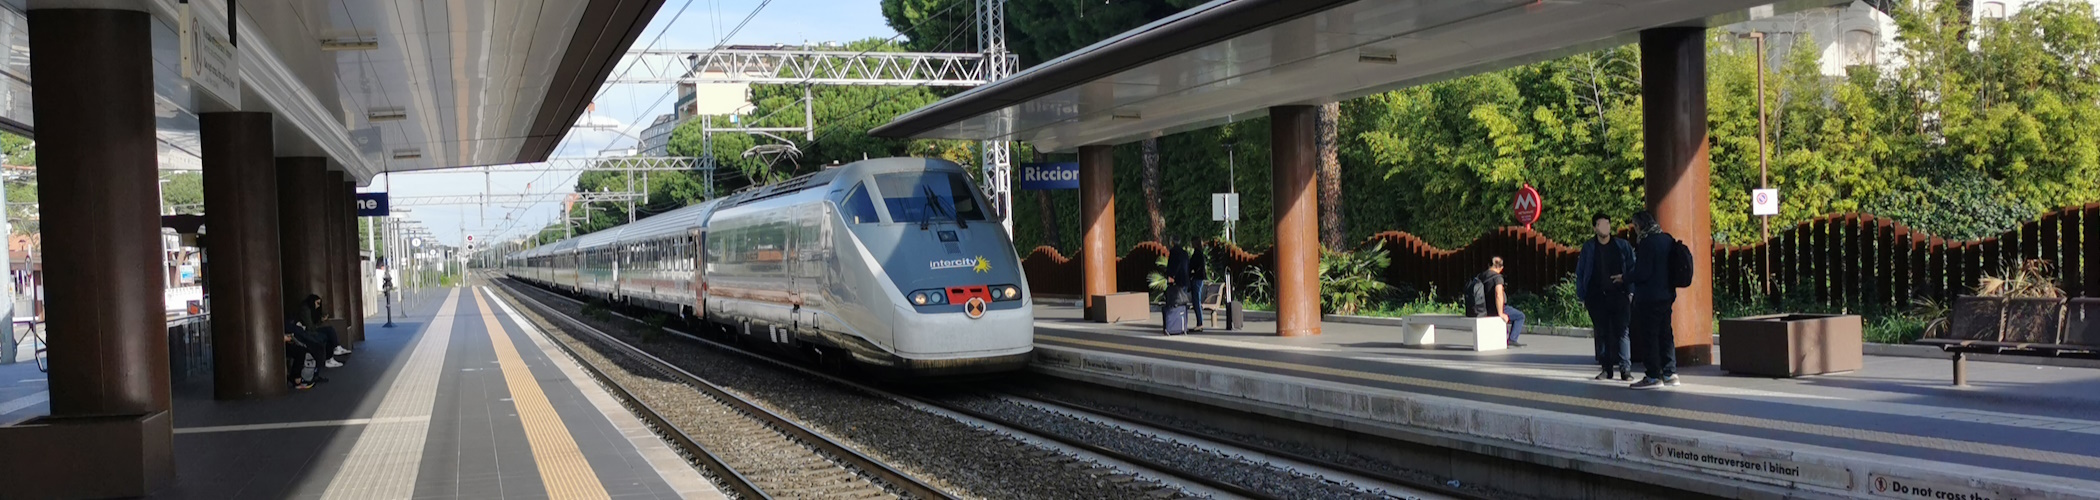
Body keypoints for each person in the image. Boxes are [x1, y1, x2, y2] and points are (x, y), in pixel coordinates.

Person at [1620, 211, 1679, 389]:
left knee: (1650, 336)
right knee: (1666, 335)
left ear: (1640, 225)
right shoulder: (1666, 239)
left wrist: (1625, 278)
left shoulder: (1647, 243)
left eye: (1635, 226)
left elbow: (1643, 272)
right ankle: (1670, 373)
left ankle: (1653, 376)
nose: (1635, 230)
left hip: (1650, 297)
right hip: (1667, 295)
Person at [1576, 213, 1635, 381]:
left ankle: (1625, 369)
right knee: (1602, 333)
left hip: (1619, 295)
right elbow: (1581, 272)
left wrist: (1630, 291)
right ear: (1595, 228)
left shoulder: (1622, 246)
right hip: (1596, 297)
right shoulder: (1589, 247)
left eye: (1607, 224)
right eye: (1601, 224)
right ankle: (1606, 368)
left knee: (1623, 331)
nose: (1605, 228)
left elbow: (1632, 267)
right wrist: (1583, 294)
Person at [1474, 257, 1526, 348]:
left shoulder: (1481, 276)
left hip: (1484, 308)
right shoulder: (1497, 277)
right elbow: (1498, 294)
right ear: (1500, 267)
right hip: (1496, 307)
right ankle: (1512, 339)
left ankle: (1501, 338)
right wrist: (1501, 313)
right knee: (1520, 316)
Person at [297, 294, 349, 366]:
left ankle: (334, 351)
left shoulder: (309, 309)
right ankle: (334, 351)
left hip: (310, 330)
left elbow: (312, 325)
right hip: (306, 332)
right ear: (312, 302)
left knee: (329, 331)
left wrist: (321, 320)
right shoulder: (305, 310)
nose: (318, 306)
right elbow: (310, 326)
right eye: (317, 303)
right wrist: (320, 322)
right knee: (327, 334)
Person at [1188, 243, 1209, 333]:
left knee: (1196, 301)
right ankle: (1199, 323)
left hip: (1196, 279)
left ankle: (1200, 323)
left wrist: (1191, 275)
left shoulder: (1197, 254)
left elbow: (1191, 266)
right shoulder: (1201, 254)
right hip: (1199, 279)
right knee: (1196, 301)